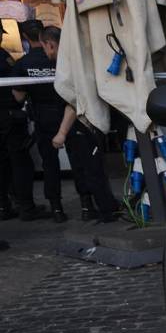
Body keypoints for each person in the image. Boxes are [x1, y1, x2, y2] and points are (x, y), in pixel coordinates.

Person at [36, 28, 120, 223]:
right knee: (87, 169)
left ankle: (107, 211)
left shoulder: (68, 66)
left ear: (50, 44)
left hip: (83, 126)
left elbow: (73, 103)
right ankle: (103, 208)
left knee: (92, 171)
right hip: (82, 127)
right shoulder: (71, 62)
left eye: (44, 47)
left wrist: (61, 132)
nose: (45, 52)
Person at [12, 22, 69, 222]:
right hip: (69, 112)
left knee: (50, 164)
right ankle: (88, 204)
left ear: (26, 38)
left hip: (43, 116)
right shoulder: (62, 58)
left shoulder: (22, 63)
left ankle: (56, 208)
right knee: (80, 162)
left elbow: (18, 97)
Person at [0, 22, 40, 222]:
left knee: (4, 163)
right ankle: (26, 206)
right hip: (9, 116)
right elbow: (16, 89)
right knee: (20, 163)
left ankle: (4, 206)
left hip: (6, 116)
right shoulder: (2, 56)